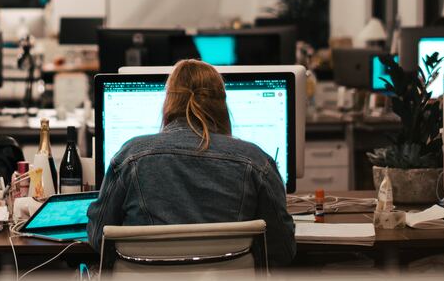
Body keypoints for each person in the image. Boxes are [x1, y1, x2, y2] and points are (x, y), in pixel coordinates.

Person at [86, 59, 296, 266]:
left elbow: (98, 237)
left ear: (169, 103)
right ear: (222, 106)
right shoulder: (257, 162)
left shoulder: (130, 157)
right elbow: (283, 249)